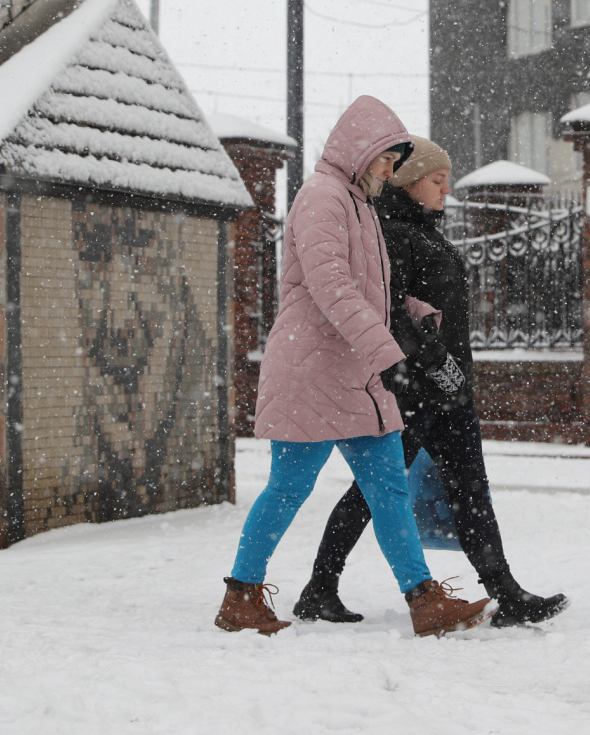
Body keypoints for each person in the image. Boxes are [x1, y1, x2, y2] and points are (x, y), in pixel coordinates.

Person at [215, 98, 498, 638]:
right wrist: (389, 355)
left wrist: (416, 313)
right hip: (311, 371)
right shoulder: (321, 198)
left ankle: (424, 600)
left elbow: (372, 290)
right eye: (388, 160)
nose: (391, 172)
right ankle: (241, 596)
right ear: (363, 153)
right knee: (288, 487)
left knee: (389, 488)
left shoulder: (360, 204)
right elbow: (332, 288)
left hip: (356, 373)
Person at [293, 135, 569, 628]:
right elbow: (389, 311)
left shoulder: (424, 230)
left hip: (449, 389)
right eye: (438, 180)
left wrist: (452, 374)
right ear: (408, 180)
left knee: (470, 491)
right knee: (374, 492)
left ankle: (506, 592)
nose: (446, 190)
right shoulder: (389, 235)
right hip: (414, 390)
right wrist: (434, 361)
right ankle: (320, 587)